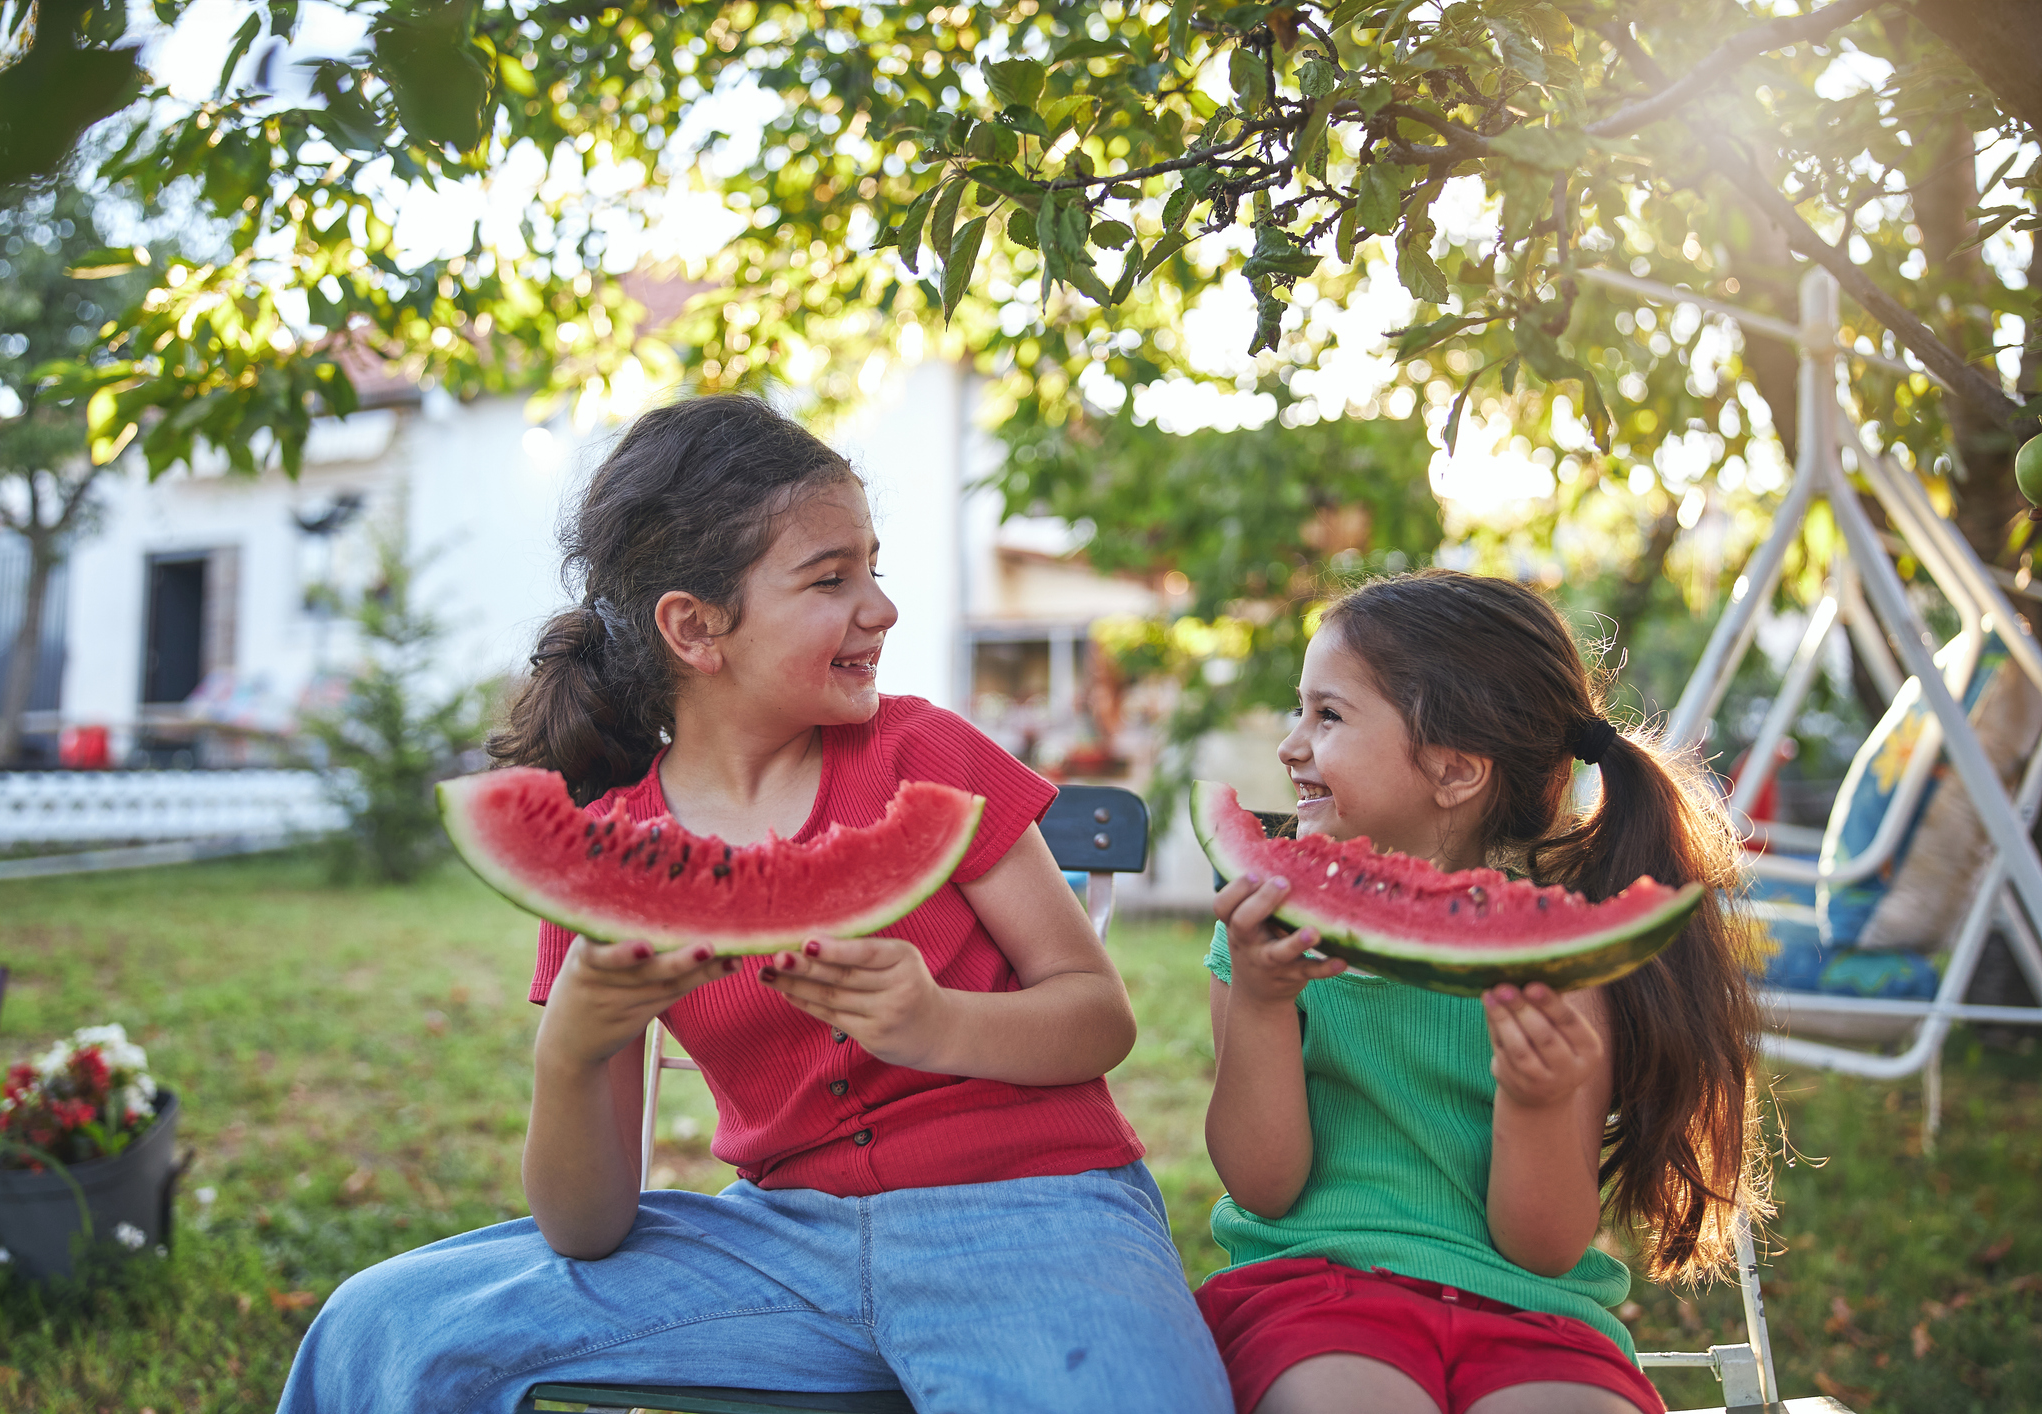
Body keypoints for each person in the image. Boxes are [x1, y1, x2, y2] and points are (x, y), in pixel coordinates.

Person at [277, 395, 1230, 1414]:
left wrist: (938, 1020)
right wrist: (574, 1051)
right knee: (380, 1327)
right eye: (831, 579)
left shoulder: (929, 758)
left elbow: (1098, 1018)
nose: (880, 607)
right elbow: (587, 1229)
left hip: (1034, 1212)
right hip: (779, 1243)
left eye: (875, 566)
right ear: (695, 628)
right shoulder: (612, 854)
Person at [1196, 569, 1767, 1414]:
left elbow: (1541, 1245)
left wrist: (1538, 1097)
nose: (1291, 744)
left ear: (1454, 770)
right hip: (1316, 1293)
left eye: (1328, 715)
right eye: (1298, 708)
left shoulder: (1558, 962)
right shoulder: (1261, 929)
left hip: (1534, 1318)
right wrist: (1260, 1002)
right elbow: (1261, 1184)